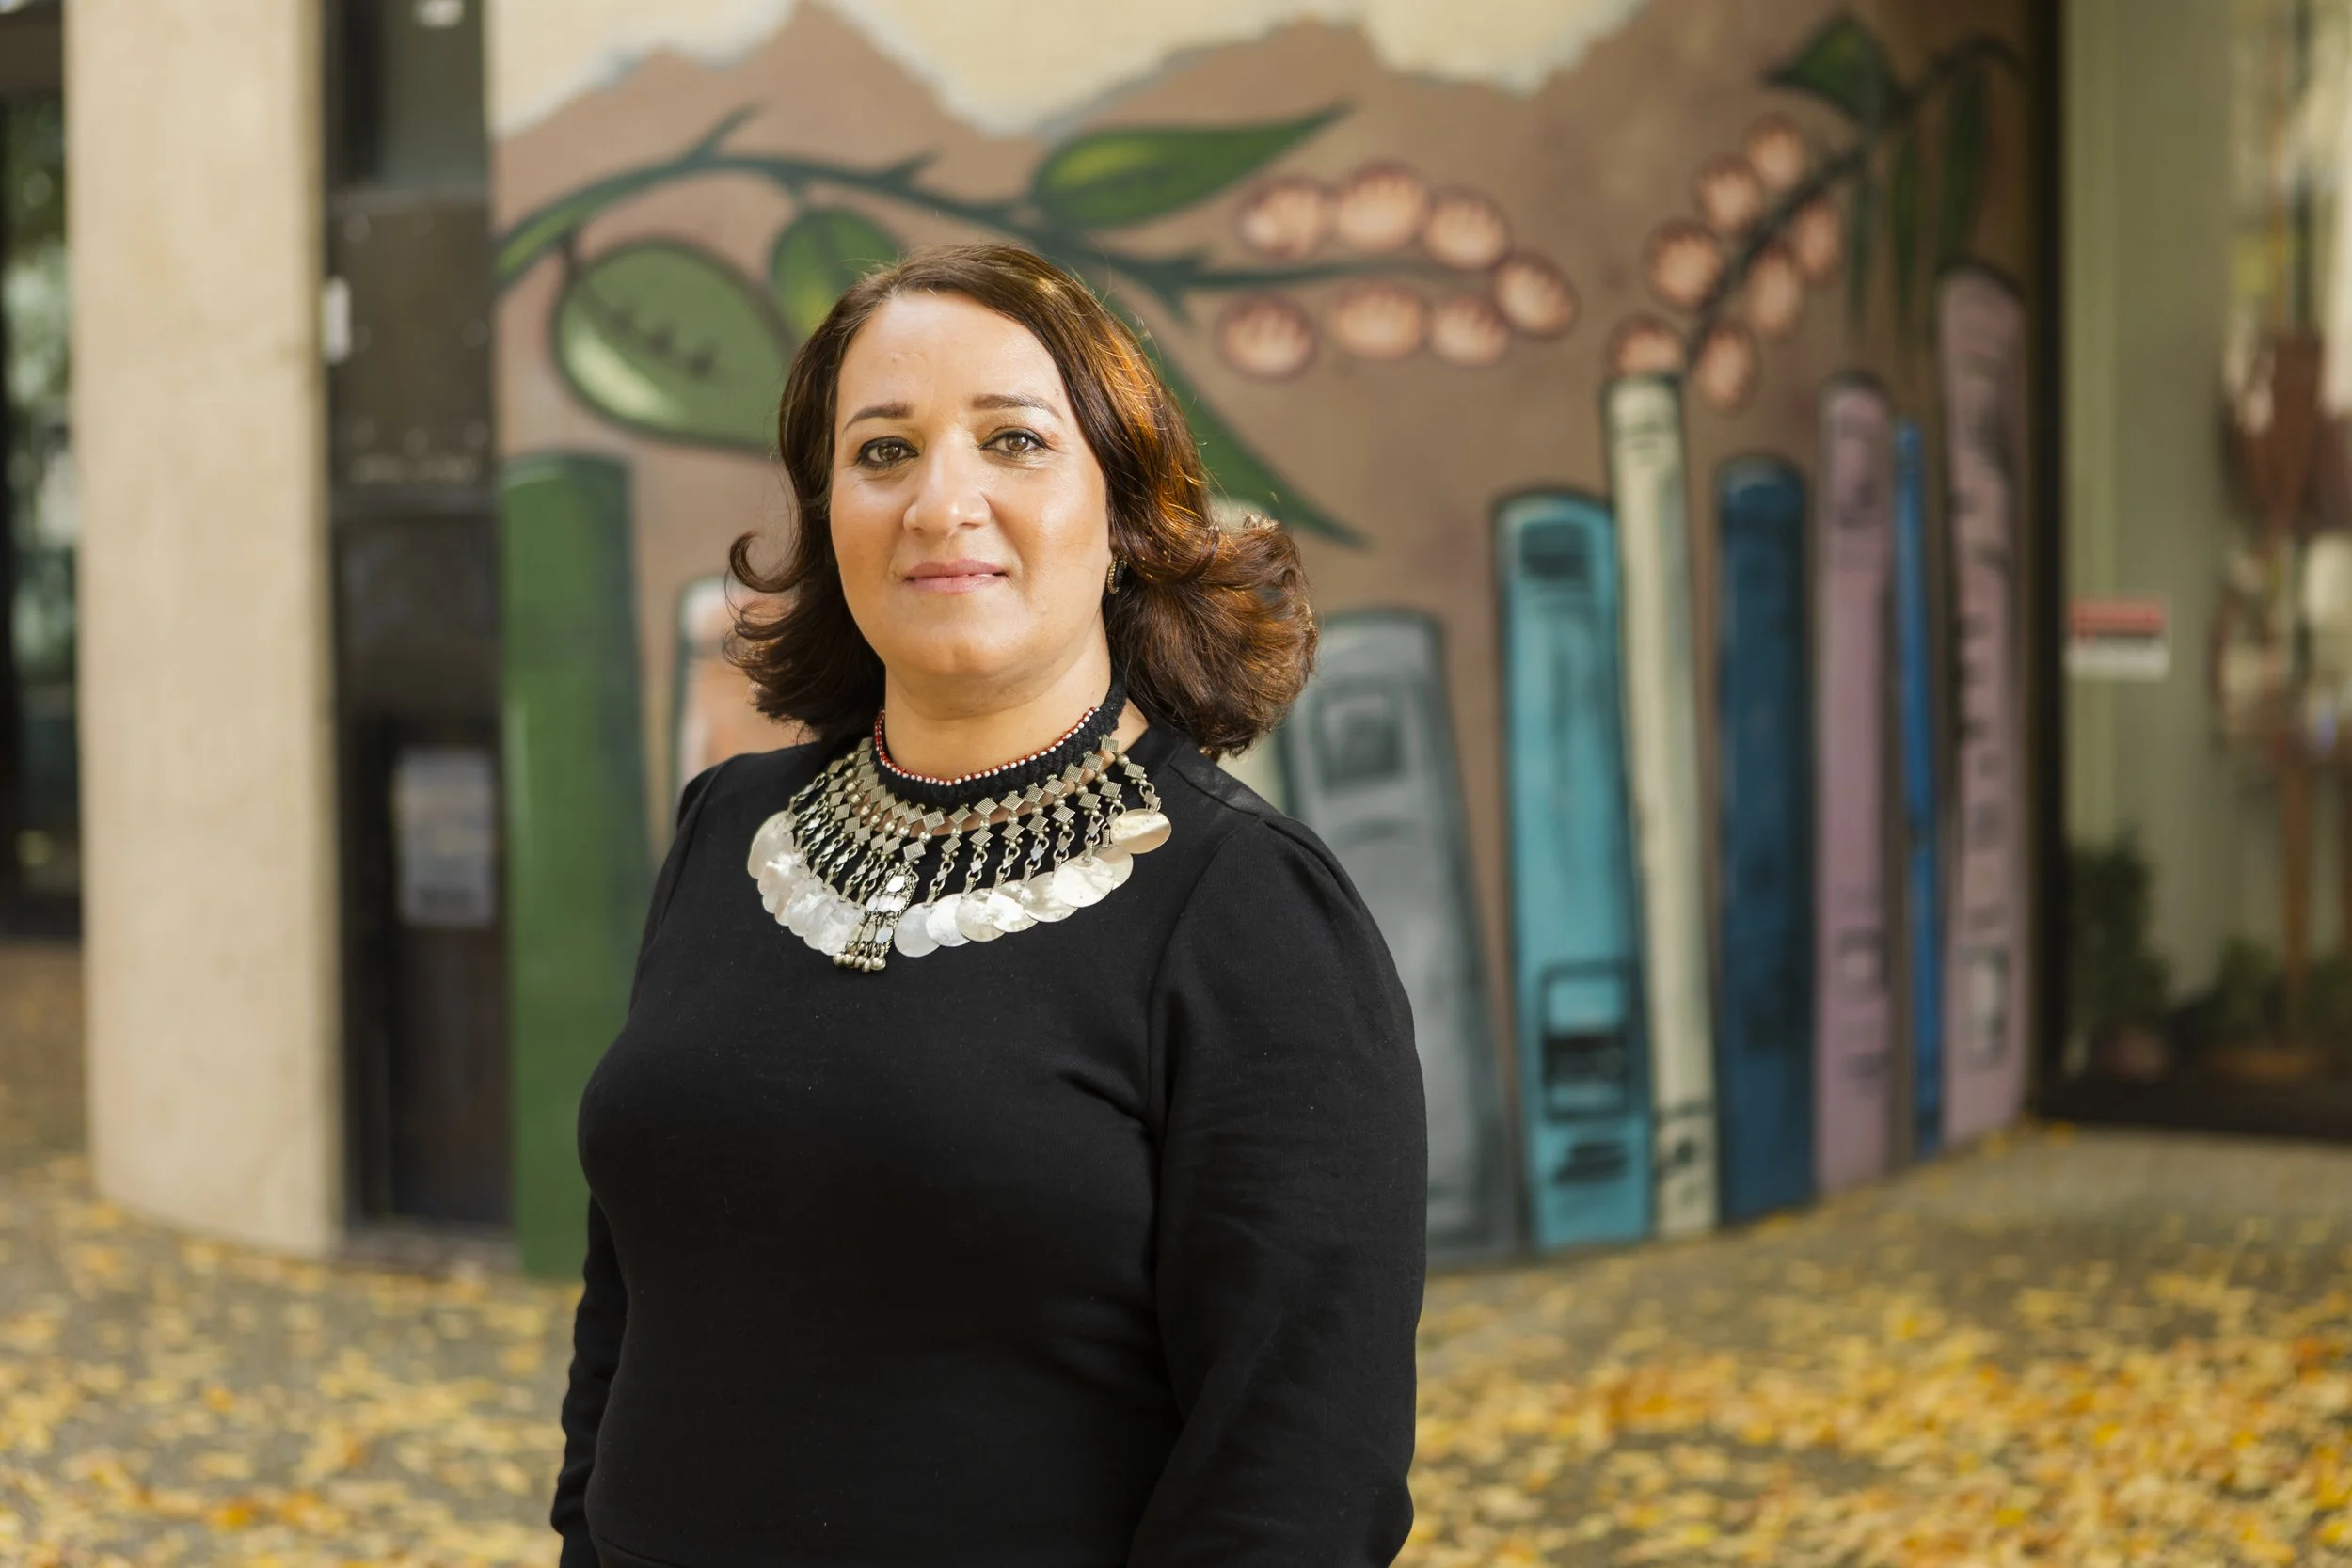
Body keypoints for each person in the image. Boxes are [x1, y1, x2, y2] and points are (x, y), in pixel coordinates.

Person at [551, 242, 1427, 1568]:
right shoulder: (725, 831)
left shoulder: (1246, 914)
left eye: (1014, 440)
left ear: (1126, 514)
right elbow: (631, 1300)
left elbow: (1300, 1475)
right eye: (883, 451)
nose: (939, 500)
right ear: (826, 509)